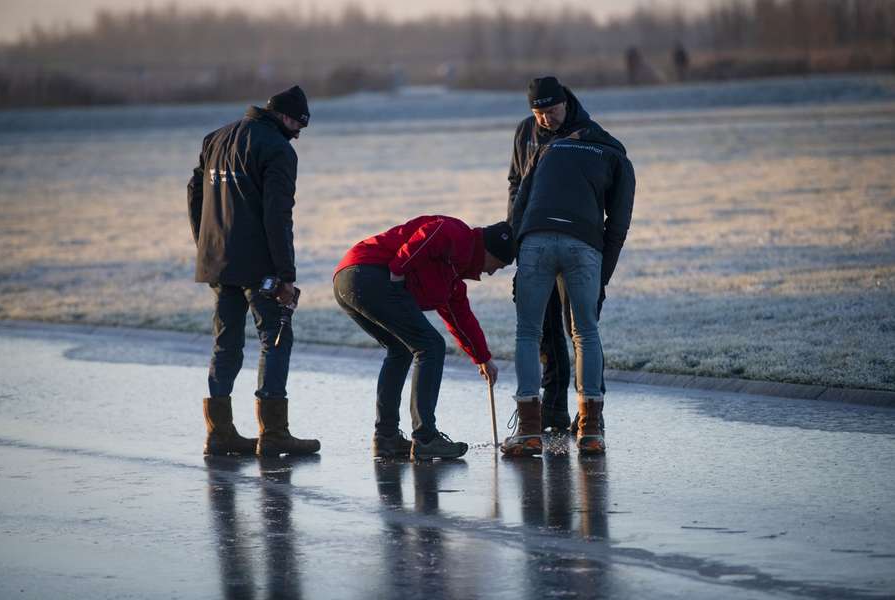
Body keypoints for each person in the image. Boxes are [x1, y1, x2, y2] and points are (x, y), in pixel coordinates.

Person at [504, 78, 635, 457]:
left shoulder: (549, 150)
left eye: (551, 110)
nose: (545, 118)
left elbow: (523, 197)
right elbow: (618, 225)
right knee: (586, 334)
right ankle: (591, 430)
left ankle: (529, 430)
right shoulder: (615, 153)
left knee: (526, 334)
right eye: (538, 112)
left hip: (536, 240)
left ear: (566, 103)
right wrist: (601, 279)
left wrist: (519, 249)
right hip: (583, 245)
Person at [187, 85, 320, 458]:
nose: (298, 134)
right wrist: (286, 276)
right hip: (259, 266)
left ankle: (219, 432)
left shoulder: (215, 138)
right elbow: (278, 216)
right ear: (285, 117)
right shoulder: (277, 149)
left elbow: (194, 193)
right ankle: (274, 432)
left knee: (226, 342)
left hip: (218, 261)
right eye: (298, 125)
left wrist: (206, 244)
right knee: (276, 336)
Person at [334, 216, 514, 460]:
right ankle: (425, 438)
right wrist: (399, 267)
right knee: (430, 346)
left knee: (400, 349)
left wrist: (482, 358)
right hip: (369, 273)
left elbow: (461, 319)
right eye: (499, 264)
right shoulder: (460, 235)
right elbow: (432, 232)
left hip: (349, 278)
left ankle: (386, 437)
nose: (492, 272)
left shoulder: (452, 281)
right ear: (490, 250)